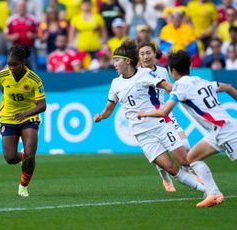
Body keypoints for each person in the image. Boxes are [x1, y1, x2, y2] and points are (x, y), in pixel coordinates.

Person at [93, 39, 206, 203]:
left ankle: (210, 190)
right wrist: (101, 116)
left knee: (184, 160)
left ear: (127, 61)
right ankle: (205, 190)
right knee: (170, 168)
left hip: (161, 124)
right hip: (141, 134)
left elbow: (167, 86)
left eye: (116, 60)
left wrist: (186, 92)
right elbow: (109, 109)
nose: (114, 63)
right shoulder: (115, 83)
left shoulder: (144, 74)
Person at [137, 50, 237, 207]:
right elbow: (229, 87)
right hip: (218, 130)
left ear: (172, 70)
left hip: (226, 131)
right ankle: (214, 193)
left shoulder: (180, 87)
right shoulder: (200, 80)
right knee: (192, 158)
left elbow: (164, 112)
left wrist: (145, 113)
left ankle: (214, 193)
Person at [0, 45, 47, 197]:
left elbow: (43, 106)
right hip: (8, 117)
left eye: (15, 64)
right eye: (9, 64)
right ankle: (24, 159)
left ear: (23, 63)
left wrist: (25, 113)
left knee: (31, 154)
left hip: (29, 117)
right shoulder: (2, 75)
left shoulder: (34, 80)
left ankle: (23, 186)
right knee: (10, 158)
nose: (11, 68)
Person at [138, 40, 194, 192]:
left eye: (148, 53)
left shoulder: (163, 71)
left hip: (166, 115)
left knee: (186, 146)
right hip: (150, 118)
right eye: (141, 54)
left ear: (154, 54)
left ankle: (189, 174)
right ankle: (166, 179)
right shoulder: (136, 74)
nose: (145, 57)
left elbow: (171, 90)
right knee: (161, 153)